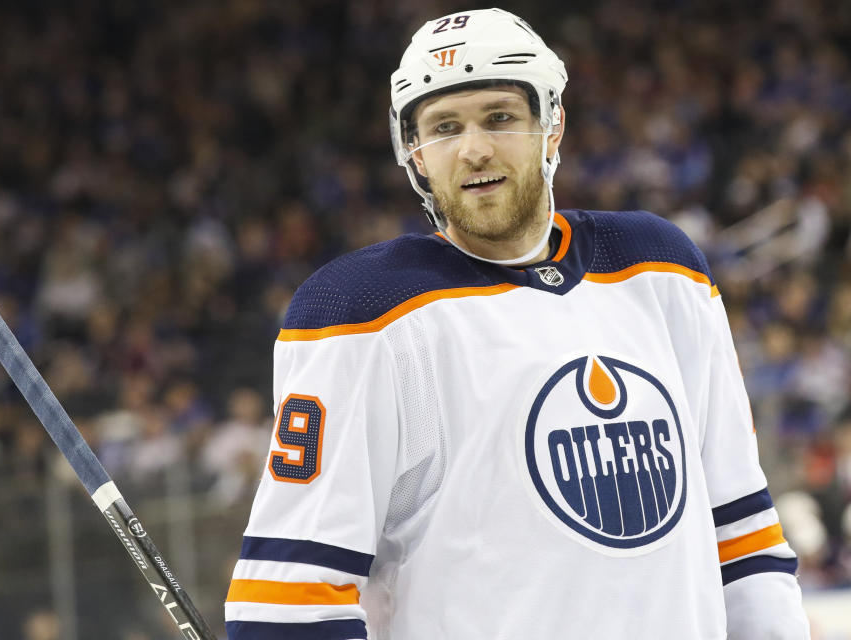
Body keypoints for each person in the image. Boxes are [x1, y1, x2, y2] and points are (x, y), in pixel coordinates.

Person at [224, 9, 810, 639]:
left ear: (551, 127)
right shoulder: (360, 312)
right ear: (415, 156)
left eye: (499, 117)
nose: (473, 148)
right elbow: (287, 604)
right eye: (444, 127)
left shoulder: (661, 271)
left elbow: (742, 534)